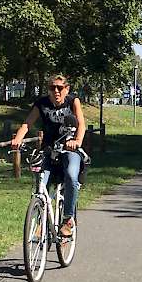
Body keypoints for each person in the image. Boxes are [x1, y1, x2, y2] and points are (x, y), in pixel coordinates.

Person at [10, 74, 86, 236]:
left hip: (69, 149)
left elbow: (81, 124)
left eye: (60, 88)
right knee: (40, 186)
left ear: (67, 89)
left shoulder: (73, 101)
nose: (56, 91)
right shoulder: (41, 104)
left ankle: (67, 219)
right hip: (49, 150)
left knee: (71, 176)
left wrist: (77, 141)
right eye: (52, 88)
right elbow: (27, 123)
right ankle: (40, 221)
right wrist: (18, 139)